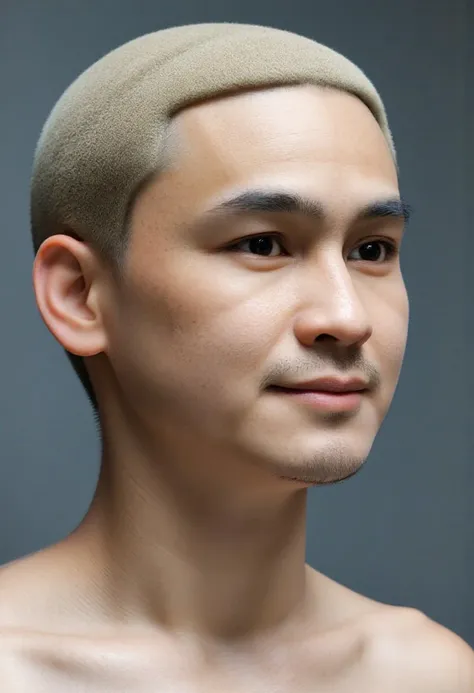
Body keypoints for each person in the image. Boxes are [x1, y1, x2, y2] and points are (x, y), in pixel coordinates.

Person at [0, 21, 472, 692]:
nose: (346, 317)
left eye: (372, 249)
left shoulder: (432, 675)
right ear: (80, 295)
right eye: (263, 243)